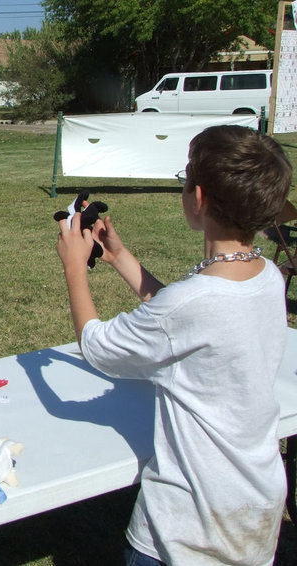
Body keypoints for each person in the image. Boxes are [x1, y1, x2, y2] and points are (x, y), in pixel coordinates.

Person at [55, 125, 291, 565]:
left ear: (198, 198)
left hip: (189, 526)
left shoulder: (191, 303)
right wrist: (121, 258)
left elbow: (100, 347)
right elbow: (188, 320)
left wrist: (75, 268)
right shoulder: (267, 277)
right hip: (253, 504)